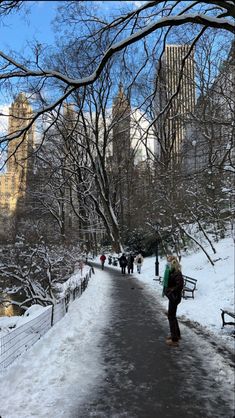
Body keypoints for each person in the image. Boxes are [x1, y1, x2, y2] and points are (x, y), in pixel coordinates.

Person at [163, 255, 184, 347]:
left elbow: (179, 286)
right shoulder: (171, 272)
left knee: (171, 316)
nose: (167, 263)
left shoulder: (177, 272)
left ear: (172, 262)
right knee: (172, 316)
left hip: (174, 297)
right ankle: (177, 335)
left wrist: (170, 290)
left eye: (168, 261)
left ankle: (174, 339)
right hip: (173, 297)